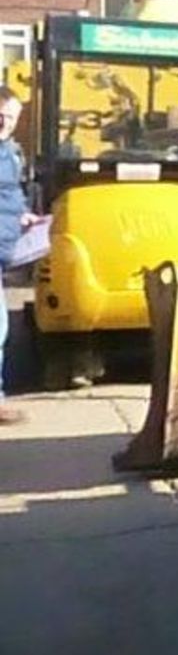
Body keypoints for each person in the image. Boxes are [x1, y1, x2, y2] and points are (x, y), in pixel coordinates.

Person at [0, 87, 28, 424]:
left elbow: (8, 196)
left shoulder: (9, 151)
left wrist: (23, 216)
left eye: (12, 117)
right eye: (2, 115)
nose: (6, 123)